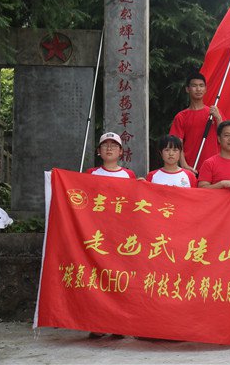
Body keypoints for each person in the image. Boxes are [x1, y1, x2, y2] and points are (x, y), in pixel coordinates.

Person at [85, 132, 134, 339]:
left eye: (114, 145)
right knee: (96, 278)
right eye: (105, 145)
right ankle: (97, 323)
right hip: (96, 234)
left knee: (119, 278)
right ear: (99, 151)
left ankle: (119, 324)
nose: (109, 148)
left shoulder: (129, 175)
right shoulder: (91, 173)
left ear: (121, 151)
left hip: (120, 236)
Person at [169, 70, 223, 175]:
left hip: (214, 167)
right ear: (187, 89)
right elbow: (177, 144)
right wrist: (184, 165)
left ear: (205, 89)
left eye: (201, 86)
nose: (198, 89)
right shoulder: (181, 116)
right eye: (194, 86)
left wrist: (219, 118)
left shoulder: (214, 113)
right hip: (191, 168)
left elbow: (224, 138)